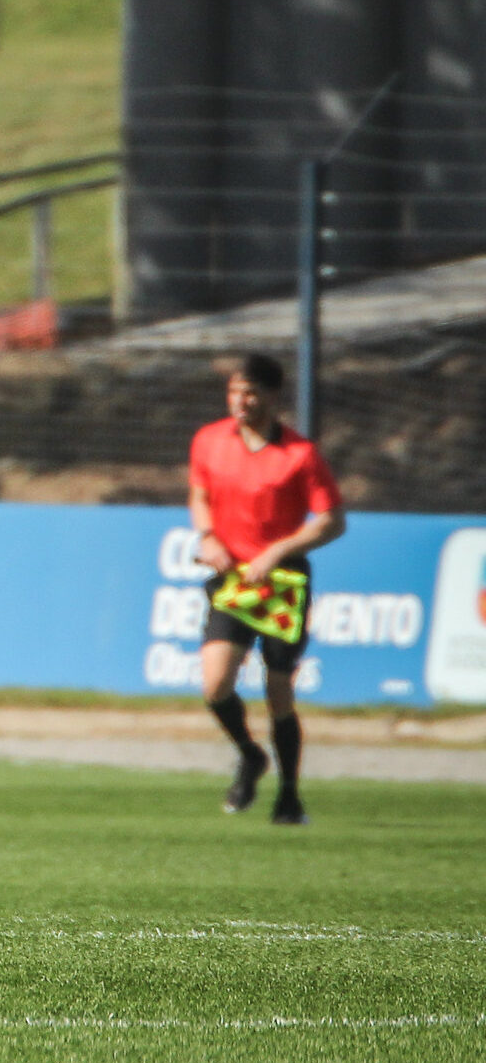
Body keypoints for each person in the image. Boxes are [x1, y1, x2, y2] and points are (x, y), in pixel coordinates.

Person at [189, 353, 345, 826]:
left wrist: (277, 551)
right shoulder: (209, 440)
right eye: (235, 390)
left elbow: (332, 521)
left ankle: (290, 795)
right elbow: (199, 494)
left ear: (274, 398)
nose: (241, 400)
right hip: (234, 578)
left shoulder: (300, 455)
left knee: (278, 689)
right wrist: (208, 535)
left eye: (252, 392)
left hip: (282, 583)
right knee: (215, 683)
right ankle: (250, 755)